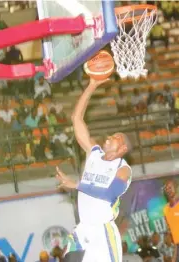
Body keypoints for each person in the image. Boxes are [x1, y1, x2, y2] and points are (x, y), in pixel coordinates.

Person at [55, 78, 133, 262]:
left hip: (103, 232)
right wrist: (92, 85)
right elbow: (77, 119)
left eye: (115, 138)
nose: (109, 137)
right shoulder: (94, 153)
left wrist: (77, 184)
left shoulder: (123, 170)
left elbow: (108, 195)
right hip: (84, 229)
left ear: (122, 149)